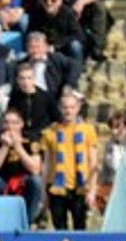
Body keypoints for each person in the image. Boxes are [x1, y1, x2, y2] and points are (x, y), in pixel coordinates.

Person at [40, 92, 98, 231]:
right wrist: (44, 191)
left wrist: (92, 190)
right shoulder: (50, 132)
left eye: (72, 107)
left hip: (80, 186)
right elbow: (46, 163)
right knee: (60, 227)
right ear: (60, 108)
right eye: (65, 107)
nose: (68, 111)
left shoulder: (87, 130)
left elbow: (93, 162)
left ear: (78, 108)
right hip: (57, 187)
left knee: (80, 226)